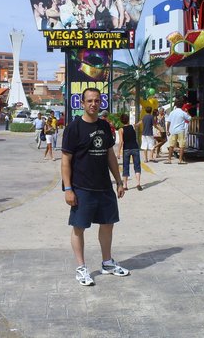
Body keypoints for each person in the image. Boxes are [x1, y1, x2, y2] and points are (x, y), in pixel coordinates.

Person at [61, 87, 129, 287]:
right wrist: (68, 189)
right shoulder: (73, 128)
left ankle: (107, 263)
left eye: (97, 101)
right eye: (89, 100)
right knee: (79, 228)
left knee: (108, 224)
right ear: (82, 103)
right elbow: (65, 161)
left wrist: (118, 181)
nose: (93, 104)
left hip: (104, 187)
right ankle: (81, 268)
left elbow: (110, 155)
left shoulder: (105, 126)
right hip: (81, 187)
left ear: (101, 103)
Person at [117, 113, 142, 191]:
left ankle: (125, 185)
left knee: (125, 166)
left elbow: (121, 142)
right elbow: (139, 123)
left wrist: (118, 152)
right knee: (137, 165)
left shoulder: (121, 130)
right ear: (128, 120)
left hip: (126, 149)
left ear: (121, 121)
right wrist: (142, 119)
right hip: (135, 148)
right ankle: (138, 183)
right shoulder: (133, 127)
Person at [165, 98, 191, 164]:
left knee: (171, 145)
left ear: (176, 105)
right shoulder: (183, 113)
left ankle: (169, 159)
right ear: (182, 105)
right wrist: (187, 112)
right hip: (180, 130)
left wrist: (167, 130)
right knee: (181, 146)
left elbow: (168, 122)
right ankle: (180, 160)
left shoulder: (172, 112)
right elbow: (189, 118)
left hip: (173, 130)